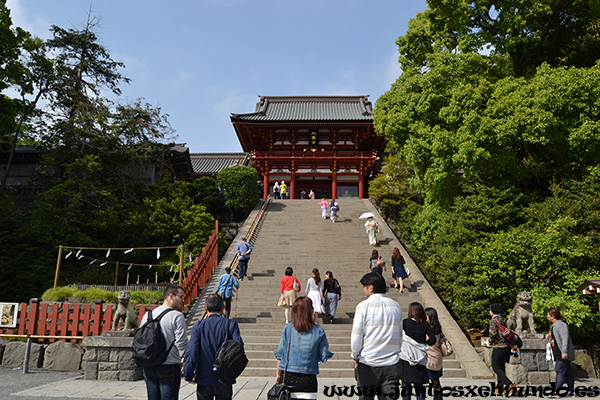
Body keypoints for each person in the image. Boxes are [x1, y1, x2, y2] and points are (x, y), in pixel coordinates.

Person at [351, 273, 403, 400]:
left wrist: (355, 356)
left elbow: (357, 336)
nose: (364, 290)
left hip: (368, 363)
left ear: (371, 288)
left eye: (364, 287)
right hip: (391, 363)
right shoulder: (396, 306)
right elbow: (400, 335)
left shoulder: (363, 307)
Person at [184, 294, 244, 400]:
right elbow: (238, 348)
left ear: (205, 308)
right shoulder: (231, 324)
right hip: (225, 376)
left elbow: (192, 351)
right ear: (223, 308)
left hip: (204, 376)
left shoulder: (199, 326)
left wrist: (188, 373)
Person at [274, 297, 334, 399]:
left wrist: (278, 374)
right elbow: (324, 356)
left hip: (288, 378)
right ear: (310, 311)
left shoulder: (288, 328)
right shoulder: (319, 331)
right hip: (309, 379)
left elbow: (280, 354)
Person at [140, 284, 188, 400]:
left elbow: (141, 339)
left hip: (149, 364)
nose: (183, 300)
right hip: (169, 365)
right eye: (181, 297)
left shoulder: (148, 315)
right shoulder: (177, 316)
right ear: (171, 296)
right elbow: (181, 344)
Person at [399, 302, 436, 400]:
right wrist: (423, 343)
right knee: (419, 387)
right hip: (420, 358)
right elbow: (433, 340)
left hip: (406, 357)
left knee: (405, 386)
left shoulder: (405, 322)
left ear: (411, 311)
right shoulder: (425, 325)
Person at [546, 308, 575, 396]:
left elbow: (564, 339)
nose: (547, 316)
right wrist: (548, 336)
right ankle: (571, 390)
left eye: (548, 315)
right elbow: (554, 337)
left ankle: (556, 391)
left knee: (559, 370)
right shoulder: (554, 325)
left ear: (553, 316)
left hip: (561, 352)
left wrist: (564, 351)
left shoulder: (561, 325)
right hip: (556, 351)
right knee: (567, 372)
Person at [487, 303, 514, 393]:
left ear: (493, 311)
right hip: (506, 347)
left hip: (498, 346)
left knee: (495, 367)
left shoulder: (493, 321)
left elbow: (493, 333)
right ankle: (499, 387)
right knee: (501, 367)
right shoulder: (503, 319)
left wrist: (490, 340)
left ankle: (509, 384)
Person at [425, 307, 443, 400]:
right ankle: (438, 398)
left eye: (426, 315)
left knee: (433, 381)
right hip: (437, 356)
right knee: (436, 381)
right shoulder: (438, 328)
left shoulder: (428, 329)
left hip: (430, 356)